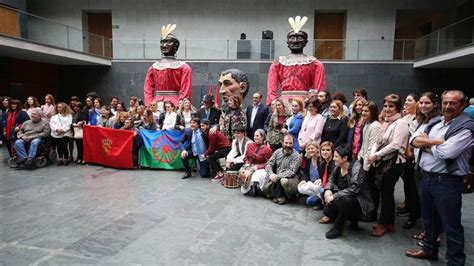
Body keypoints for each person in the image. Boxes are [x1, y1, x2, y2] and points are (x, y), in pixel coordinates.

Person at [406, 90, 472, 265]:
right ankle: (429, 250)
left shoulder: (466, 127)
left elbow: (448, 152)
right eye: (445, 102)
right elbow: (413, 140)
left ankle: (455, 261)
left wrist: (425, 144)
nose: (448, 106)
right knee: (429, 220)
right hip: (426, 177)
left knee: (451, 225)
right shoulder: (436, 122)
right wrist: (435, 142)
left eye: (453, 103)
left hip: (447, 182)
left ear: (463, 105)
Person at [367, 94, 409, 237]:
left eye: (391, 106)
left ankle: (383, 223)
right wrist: (373, 153)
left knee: (386, 193)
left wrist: (376, 155)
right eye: (385, 106)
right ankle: (388, 222)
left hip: (395, 164)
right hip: (384, 162)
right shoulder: (388, 122)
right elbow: (378, 141)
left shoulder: (401, 123)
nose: (387, 109)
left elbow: (396, 145)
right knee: (386, 193)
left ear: (397, 108)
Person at [266, 16, 326, 105]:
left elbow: (319, 88)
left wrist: (315, 103)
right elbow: (271, 87)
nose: (295, 41)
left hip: (306, 104)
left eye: (300, 38)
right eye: (292, 37)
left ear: (306, 42)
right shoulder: (278, 63)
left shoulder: (315, 64)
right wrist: (273, 101)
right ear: (287, 42)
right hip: (283, 104)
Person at [406, 92, 442, 242]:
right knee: (425, 203)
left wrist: (425, 143)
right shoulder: (421, 120)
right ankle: (429, 233)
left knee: (434, 205)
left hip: (434, 169)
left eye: (427, 103)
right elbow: (413, 141)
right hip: (419, 166)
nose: (423, 106)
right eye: (421, 103)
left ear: (435, 104)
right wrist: (422, 142)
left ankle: (434, 235)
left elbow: (441, 143)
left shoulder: (439, 121)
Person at [321, 144, 375, 239]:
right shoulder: (338, 167)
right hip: (343, 199)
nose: (334, 159)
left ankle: (338, 228)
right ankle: (347, 218)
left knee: (346, 200)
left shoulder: (357, 168)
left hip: (361, 204)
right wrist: (327, 190)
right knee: (327, 211)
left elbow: (354, 189)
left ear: (345, 158)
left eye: (336, 157)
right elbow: (331, 180)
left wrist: (334, 196)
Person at [143, 24, 192, 107]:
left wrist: (181, 105)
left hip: (176, 105)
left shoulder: (184, 67)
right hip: (156, 105)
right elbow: (147, 89)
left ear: (176, 46)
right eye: (162, 42)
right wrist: (149, 105)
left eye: (168, 42)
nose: (164, 45)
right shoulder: (153, 67)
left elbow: (185, 89)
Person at [397, 93, 421, 227]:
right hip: (404, 158)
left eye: (409, 100)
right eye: (405, 100)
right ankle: (408, 207)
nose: (406, 103)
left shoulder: (418, 119)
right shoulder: (405, 116)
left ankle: (414, 215)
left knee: (413, 188)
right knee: (407, 185)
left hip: (413, 158)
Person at [263, 134, 301, 205]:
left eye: (290, 143)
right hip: (277, 177)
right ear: (282, 142)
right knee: (265, 190)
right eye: (286, 143)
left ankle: (289, 196)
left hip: (291, 179)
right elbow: (269, 164)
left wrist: (277, 176)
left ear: (293, 144)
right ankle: (278, 195)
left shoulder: (296, 156)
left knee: (283, 181)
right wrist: (271, 174)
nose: (288, 145)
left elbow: (291, 172)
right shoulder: (277, 152)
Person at [240, 129, 273, 196]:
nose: (255, 137)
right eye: (254, 135)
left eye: (257, 136)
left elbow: (269, 164)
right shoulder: (250, 145)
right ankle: (248, 187)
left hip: (262, 168)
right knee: (241, 171)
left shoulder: (268, 149)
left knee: (256, 175)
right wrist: (247, 163)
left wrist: (257, 167)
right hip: (250, 165)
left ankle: (258, 189)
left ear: (263, 137)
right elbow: (246, 157)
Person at [358, 101, 384, 172]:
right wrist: (360, 156)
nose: (363, 113)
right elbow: (364, 144)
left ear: (372, 112)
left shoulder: (375, 126)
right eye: (362, 110)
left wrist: (366, 167)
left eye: (366, 111)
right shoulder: (367, 124)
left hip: (370, 164)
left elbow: (372, 147)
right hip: (363, 159)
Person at [298, 141, 324, 208]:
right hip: (312, 183)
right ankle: (318, 197)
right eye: (308, 149)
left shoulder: (321, 160)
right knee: (300, 188)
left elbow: (325, 175)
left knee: (309, 200)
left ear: (317, 149)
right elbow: (305, 173)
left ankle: (321, 200)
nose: (310, 150)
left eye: (312, 148)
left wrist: (321, 180)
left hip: (320, 184)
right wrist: (303, 180)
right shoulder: (308, 160)